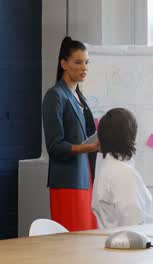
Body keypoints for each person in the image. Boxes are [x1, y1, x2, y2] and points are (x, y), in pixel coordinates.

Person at [42, 36, 99, 231]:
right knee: (72, 242)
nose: (84, 67)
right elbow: (55, 146)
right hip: (68, 182)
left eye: (86, 62)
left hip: (85, 178)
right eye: (78, 62)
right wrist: (89, 146)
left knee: (87, 238)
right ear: (63, 64)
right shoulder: (55, 96)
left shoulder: (78, 96)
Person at [92, 108, 153, 228]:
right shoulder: (122, 173)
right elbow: (134, 224)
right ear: (129, 137)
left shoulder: (106, 168)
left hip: (128, 239)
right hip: (143, 240)